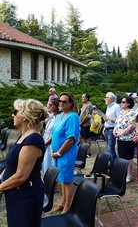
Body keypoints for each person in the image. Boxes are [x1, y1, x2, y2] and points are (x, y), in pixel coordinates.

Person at [0, 99, 48, 227]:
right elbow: (12, 164)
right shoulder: (24, 136)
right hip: (17, 194)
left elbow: (21, 176)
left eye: (16, 112)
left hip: (25, 196)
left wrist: (0, 187)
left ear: (26, 116)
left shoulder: (32, 139)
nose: (12, 115)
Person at [51, 92, 80, 214]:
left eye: (64, 101)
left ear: (71, 103)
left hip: (66, 153)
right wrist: (53, 148)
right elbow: (56, 134)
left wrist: (59, 153)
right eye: (60, 101)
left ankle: (68, 206)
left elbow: (71, 139)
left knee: (67, 180)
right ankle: (62, 202)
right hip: (57, 153)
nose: (61, 103)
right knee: (61, 178)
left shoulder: (72, 116)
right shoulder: (60, 115)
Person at [114, 96, 137, 182]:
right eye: (121, 101)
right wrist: (115, 131)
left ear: (128, 103)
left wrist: (122, 133)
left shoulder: (132, 113)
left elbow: (131, 126)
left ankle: (129, 175)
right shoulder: (121, 112)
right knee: (121, 156)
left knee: (128, 157)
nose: (121, 103)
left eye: (123, 102)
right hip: (120, 138)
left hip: (128, 139)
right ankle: (122, 172)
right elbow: (117, 123)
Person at [42, 98, 60, 174]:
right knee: (45, 162)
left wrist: (46, 143)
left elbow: (55, 134)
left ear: (56, 106)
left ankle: (53, 183)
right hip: (46, 139)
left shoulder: (58, 118)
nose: (49, 106)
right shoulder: (51, 116)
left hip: (51, 143)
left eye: (51, 105)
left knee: (50, 162)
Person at [103, 92, 121, 163]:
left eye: (106, 97)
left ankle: (113, 164)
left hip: (112, 129)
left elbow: (119, 119)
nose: (105, 99)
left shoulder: (116, 107)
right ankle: (112, 162)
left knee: (110, 148)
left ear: (110, 99)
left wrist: (109, 118)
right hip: (107, 129)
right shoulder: (109, 106)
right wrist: (104, 127)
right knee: (108, 147)